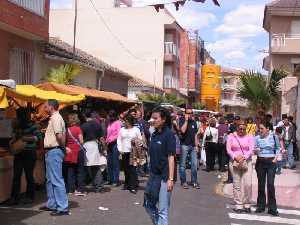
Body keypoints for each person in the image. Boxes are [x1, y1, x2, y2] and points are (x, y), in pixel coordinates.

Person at [144, 107, 176, 225]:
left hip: (165, 177)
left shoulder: (169, 135)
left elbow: (171, 157)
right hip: (153, 176)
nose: (152, 120)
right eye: (152, 117)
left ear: (163, 119)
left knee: (163, 210)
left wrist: (170, 179)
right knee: (148, 204)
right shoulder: (154, 134)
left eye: (155, 118)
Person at [7, 108, 43, 205]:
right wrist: (12, 140)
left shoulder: (32, 126)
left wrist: (25, 138)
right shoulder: (17, 126)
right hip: (18, 152)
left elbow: (38, 137)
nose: (17, 117)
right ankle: (15, 198)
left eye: (18, 115)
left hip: (29, 153)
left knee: (29, 175)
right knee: (16, 176)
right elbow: (15, 136)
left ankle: (29, 197)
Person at [40, 99, 69, 216]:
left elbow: (59, 136)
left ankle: (62, 207)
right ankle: (52, 204)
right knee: (50, 179)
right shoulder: (54, 118)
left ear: (51, 107)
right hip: (52, 151)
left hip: (54, 150)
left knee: (56, 179)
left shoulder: (56, 118)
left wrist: (63, 147)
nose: (44, 109)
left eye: (45, 106)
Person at [226, 120, 254, 213]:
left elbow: (251, 149)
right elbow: (228, 149)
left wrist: (244, 157)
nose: (241, 130)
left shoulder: (250, 136)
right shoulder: (231, 136)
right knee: (237, 184)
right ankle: (238, 204)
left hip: (247, 162)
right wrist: (235, 157)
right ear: (236, 128)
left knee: (248, 184)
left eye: (243, 129)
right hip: (234, 162)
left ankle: (247, 203)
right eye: (240, 128)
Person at [255, 122, 280, 216]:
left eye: (262, 128)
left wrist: (275, 159)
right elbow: (254, 149)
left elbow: (278, 148)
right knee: (261, 185)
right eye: (259, 129)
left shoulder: (274, 137)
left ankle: (272, 208)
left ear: (267, 129)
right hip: (260, 162)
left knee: (270, 184)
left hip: (271, 163)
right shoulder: (257, 138)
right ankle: (261, 206)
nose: (260, 130)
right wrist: (256, 150)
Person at [81, 111, 106, 193]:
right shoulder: (97, 124)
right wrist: (104, 148)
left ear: (85, 116)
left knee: (85, 168)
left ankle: (83, 187)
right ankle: (99, 186)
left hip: (86, 146)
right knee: (96, 167)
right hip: (95, 145)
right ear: (92, 116)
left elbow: (81, 139)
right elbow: (102, 138)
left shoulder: (83, 126)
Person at [117, 114, 142, 194]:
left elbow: (140, 140)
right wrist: (120, 149)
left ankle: (133, 186)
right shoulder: (122, 130)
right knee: (126, 169)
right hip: (124, 151)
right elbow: (119, 140)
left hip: (133, 152)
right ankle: (127, 184)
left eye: (126, 121)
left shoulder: (136, 129)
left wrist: (136, 141)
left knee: (132, 169)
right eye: (124, 121)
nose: (125, 122)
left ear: (130, 121)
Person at [179, 107, 200, 189]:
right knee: (182, 165)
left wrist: (196, 145)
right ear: (185, 113)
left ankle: (194, 181)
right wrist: (186, 120)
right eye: (188, 113)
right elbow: (183, 130)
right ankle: (183, 181)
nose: (190, 114)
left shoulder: (194, 122)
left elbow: (195, 135)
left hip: (193, 146)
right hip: (184, 145)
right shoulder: (181, 120)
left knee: (194, 165)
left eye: (191, 113)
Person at [63, 113, 84, 195]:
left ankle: (70, 189)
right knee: (80, 171)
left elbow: (64, 142)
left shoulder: (66, 130)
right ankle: (80, 189)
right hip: (78, 151)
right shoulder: (78, 129)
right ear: (76, 120)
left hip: (69, 152)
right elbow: (81, 141)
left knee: (70, 171)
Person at [106, 110, 121, 186]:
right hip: (109, 144)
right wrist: (106, 140)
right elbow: (108, 134)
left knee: (115, 162)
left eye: (110, 115)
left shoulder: (117, 123)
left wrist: (112, 139)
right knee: (109, 162)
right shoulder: (109, 123)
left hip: (115, 144)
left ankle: (116, 180)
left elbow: (119, 133)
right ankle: (110, 179)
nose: (108, 117)